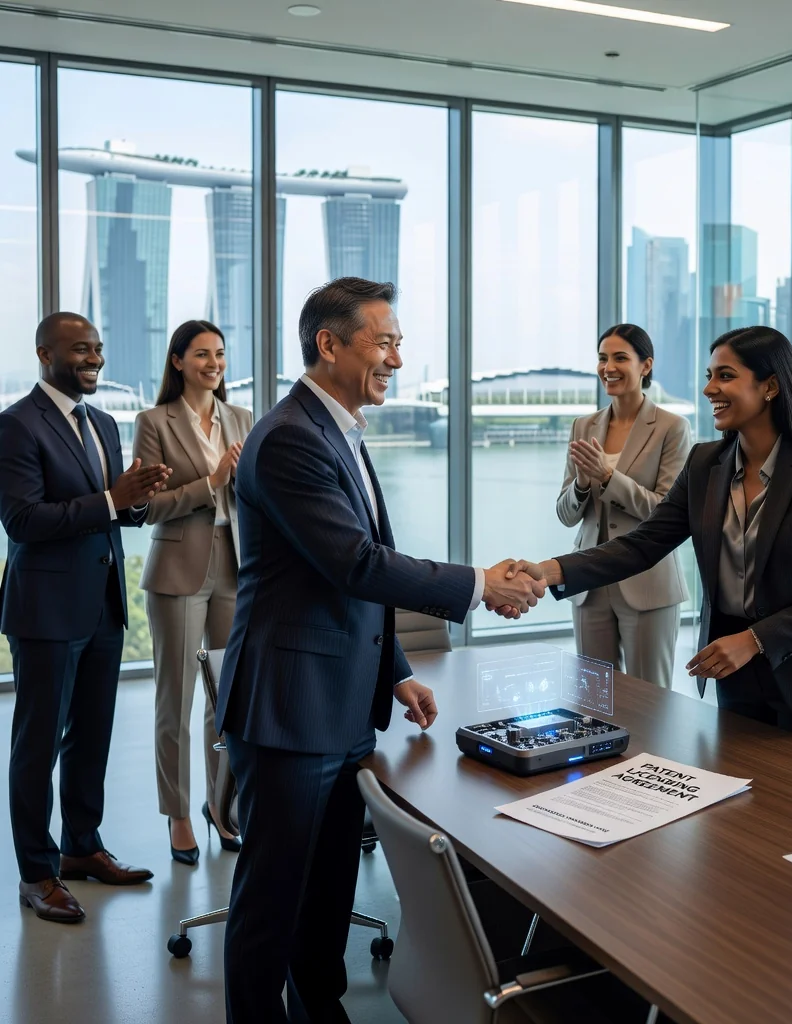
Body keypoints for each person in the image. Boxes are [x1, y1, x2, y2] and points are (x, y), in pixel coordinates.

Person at [214, 277, 545, 1023]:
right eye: (385, 340)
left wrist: (394, 671)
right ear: (329, 344)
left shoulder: (338, 428)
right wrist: (477, 583)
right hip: (290, 711)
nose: (398, 356)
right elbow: (356, 564)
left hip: (337, 702)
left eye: (398, 341)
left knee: (326, 892)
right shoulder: (293, 437)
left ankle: (319, 1012)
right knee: (273, 903)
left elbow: (347, 576)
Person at [508, 326, 792, 750]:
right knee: (744, 813)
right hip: (735, 676)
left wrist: (755, 640)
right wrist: (550, 570)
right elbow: (643, 544)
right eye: (708, 374)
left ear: (770, 385)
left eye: (725, 376)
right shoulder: (706, 464)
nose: (708, 388)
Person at [0, 313, 170, 923]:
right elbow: (23, 522)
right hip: (45, 610)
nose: (94, 358)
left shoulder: (102, 421)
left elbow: (112, 512)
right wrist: (110, 500)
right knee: (37, 745)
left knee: (92, 736)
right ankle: (37, 874)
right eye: (81, 349)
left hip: (102, 605)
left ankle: (81, 847)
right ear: (45, 352)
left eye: (98, 348)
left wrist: (137, 498)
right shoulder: (17, 426)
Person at [133, 320, 252, 864]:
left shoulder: (242, 419)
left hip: (236, 567)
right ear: (178, 360)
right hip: (179, 569)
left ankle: (220, 807)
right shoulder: (154, 421)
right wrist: (211, 483)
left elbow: (255, 495)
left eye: (220, 354)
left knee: (226, 700)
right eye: (202, 354)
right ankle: (178, 815)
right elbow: (145, 507)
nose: (214, 363)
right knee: (175, 701)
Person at [557, 324, 690, 688]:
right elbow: (566, 515)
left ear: (645, 366)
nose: (608, 367)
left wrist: (607, 476)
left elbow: (666, 512)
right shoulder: (583, 426)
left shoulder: (672, 428)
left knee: (651, 698)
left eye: (620, 358)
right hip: (589, 585)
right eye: (602, 358)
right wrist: (583, 484)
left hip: (647, 582)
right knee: (594, 696)